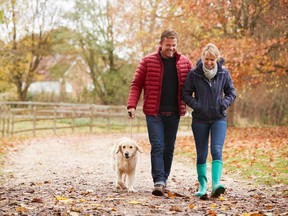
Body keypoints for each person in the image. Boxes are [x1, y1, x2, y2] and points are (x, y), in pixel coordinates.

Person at [127, 29, 193, 196]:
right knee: (157, 146)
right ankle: (158, 181)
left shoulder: (184, 62)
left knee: (169, 148)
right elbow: (136, 84)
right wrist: (131, 105)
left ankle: (164, 178)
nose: (171, 48)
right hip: (154, 113)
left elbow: (196, 82)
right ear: (161, 44)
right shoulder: (147, 61)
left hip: (174, 113)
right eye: (168, 45)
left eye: (174, 45)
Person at [182, 43, 236, 198]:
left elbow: (231, 93)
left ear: (217, 59)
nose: (209, 62)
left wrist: (223, 104)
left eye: (212, 59)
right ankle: (203, 186)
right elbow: (185, 93)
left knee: (217, 150)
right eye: (207, 59)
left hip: (219, 118)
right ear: (202, 58)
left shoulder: (224, 74)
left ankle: (216, 184)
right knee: (202, 153)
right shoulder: (194, 74)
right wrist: (197, 106)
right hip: (200, 119)